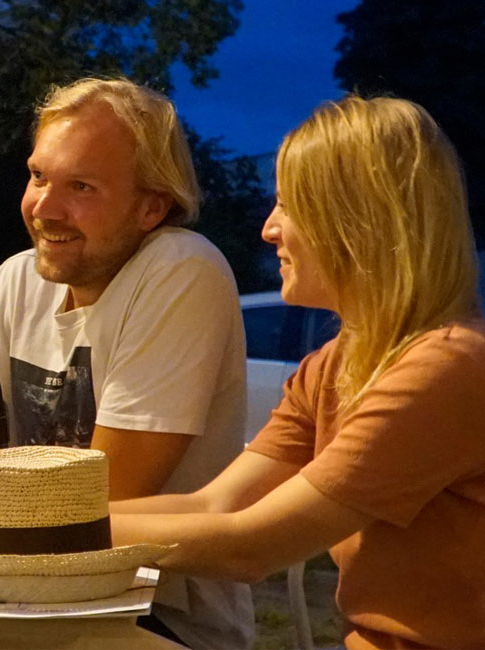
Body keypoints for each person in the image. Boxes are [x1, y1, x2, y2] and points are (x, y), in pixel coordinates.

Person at [0, 77, 253, 648]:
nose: (44, 207)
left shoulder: (183, 270)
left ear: (151, 207)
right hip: (5, 594)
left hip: (150, 619)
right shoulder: (15, 279)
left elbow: (110, 495)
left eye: (81, 187)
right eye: (39, 176)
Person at [112, 96, 485, 649]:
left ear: (357, 217)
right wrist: (37, 515)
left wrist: (35, 533)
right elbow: (215, 505)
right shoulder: (332, 365)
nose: (268, 230)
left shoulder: (449, 365)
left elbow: (250, 545)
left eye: (288, 205)